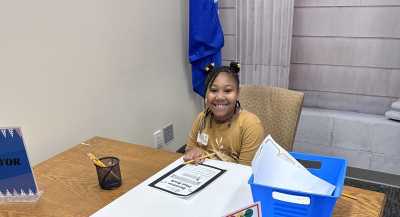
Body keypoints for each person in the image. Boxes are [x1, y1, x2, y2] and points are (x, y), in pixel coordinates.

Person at [183, 62, 264, 166]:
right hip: (201, 176)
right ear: (206, 93)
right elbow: (189, 150)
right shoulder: (202, 118)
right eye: (213, 90)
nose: (220, 97)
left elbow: (245, 172)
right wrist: (192, 153)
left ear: (238, 93)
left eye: (227, 90)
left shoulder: (251, 125)